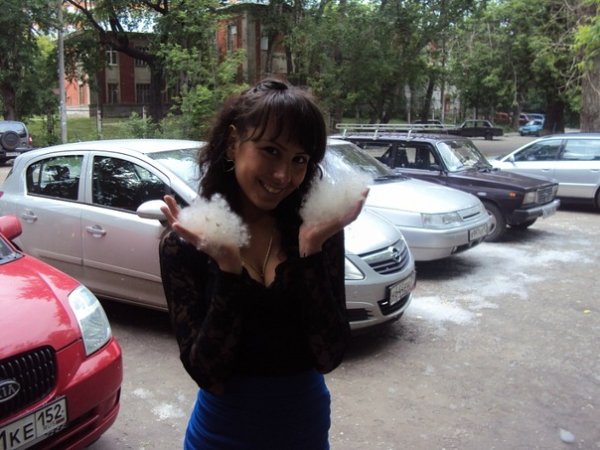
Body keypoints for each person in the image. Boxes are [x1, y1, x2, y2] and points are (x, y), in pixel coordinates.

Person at [158, 78, 368, 450]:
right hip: (221, 436)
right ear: (233, 143)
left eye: (299, 160)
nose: (283, 175)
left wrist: (310, 252)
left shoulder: (315, 231)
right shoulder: (189, 242)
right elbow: (208, 373)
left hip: (303, 431)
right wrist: (228, 269)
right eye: (271, 151)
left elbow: (330, 354)